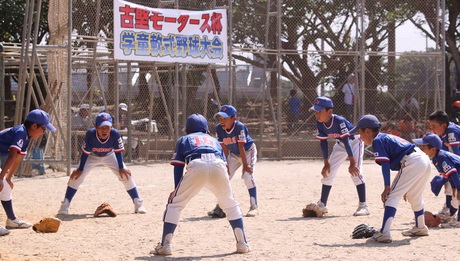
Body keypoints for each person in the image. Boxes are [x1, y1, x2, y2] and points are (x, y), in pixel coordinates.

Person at [151, 114, 250, 255]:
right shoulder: (214, 140)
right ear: (207, 131)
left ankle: (165, 246)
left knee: (175, 204)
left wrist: (176, 190)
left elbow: (178, 167)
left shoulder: (184, 139)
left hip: (196, 164)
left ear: (187, 131)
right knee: (230, 204)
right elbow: (224, 165)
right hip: (218, 165)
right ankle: (242, 244)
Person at [350, 115, 431, 243]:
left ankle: (384, 233)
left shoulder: (377, 141)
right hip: (423, 159)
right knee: (414, 196)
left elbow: (386, 165)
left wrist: (387, 187)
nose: (360, 136)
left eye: (360, 132)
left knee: (391, 197)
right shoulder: (384, 137)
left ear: (367, 131)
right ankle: (420, 227)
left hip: (412, 161)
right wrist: (402, 185)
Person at [57, 112, 146, 215]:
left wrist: (121, 167)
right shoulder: (90, 134)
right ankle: (65, 205)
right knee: (76, 177)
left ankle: (138, 204)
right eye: (101, 127)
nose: (104, 130)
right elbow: (85, 153)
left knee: (126, 175)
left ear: (111, 127)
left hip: (110, 155)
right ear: (95, 127)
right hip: (92, 156)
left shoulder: (115, 134)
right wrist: (80, 169)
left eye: (107, 127)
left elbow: (118, 152)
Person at [0, 109, 56, 236]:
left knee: (5, 187)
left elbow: (18, 158)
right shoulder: (20, 132)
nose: (44, 132)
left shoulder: (26, 136)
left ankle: (12, 220)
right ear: (34, 126)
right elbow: (11, 156)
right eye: (43, 128)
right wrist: (1, 177)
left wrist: (8, 177)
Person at [309, 97, 369, 216]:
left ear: (329, 112)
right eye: (315, 111)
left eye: (319, 111)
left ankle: (363, 205)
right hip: (341, 144)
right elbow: (323, 142)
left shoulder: (339, 121)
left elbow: (346, 140)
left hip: (354, 142)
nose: (317, 114)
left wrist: (352, 162)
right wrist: (326, 163)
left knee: (355, 172)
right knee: (328, 172)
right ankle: (322, 204)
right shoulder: (320, 123)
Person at [208, 105, 259, 218]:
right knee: (223, 177)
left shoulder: (239, 127)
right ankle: (222, 206)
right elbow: (224, 149)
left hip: (247, 152)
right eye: (220, 118)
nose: (222, 121)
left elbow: (241, 147)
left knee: (247, 176)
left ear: (233, 118)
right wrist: (225, 164)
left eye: (225, 118)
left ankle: (254, 207)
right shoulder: (219, 129)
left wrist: (245, 166)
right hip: (233, 154)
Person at [412, 133, 460, 228]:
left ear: (433, 149)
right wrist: (454, 187)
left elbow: (453, 173)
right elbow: (449, 175)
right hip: (457, 177)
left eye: (424, 147)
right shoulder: (435, 159)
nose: (422, 149)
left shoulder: (442, 157)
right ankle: (452, 217)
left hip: (458, 176)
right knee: (455, 199)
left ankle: (458, 221)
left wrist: (459, 188)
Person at [428, 110, 460, 221]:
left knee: (456, 186)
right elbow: (443, 152)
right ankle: (448, 208)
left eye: (434, 126)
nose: (432, 129)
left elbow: (457, 154)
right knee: (449, 183)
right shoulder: (442, 133)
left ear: (443, 125)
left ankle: (451, 212)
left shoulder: (451, 131)